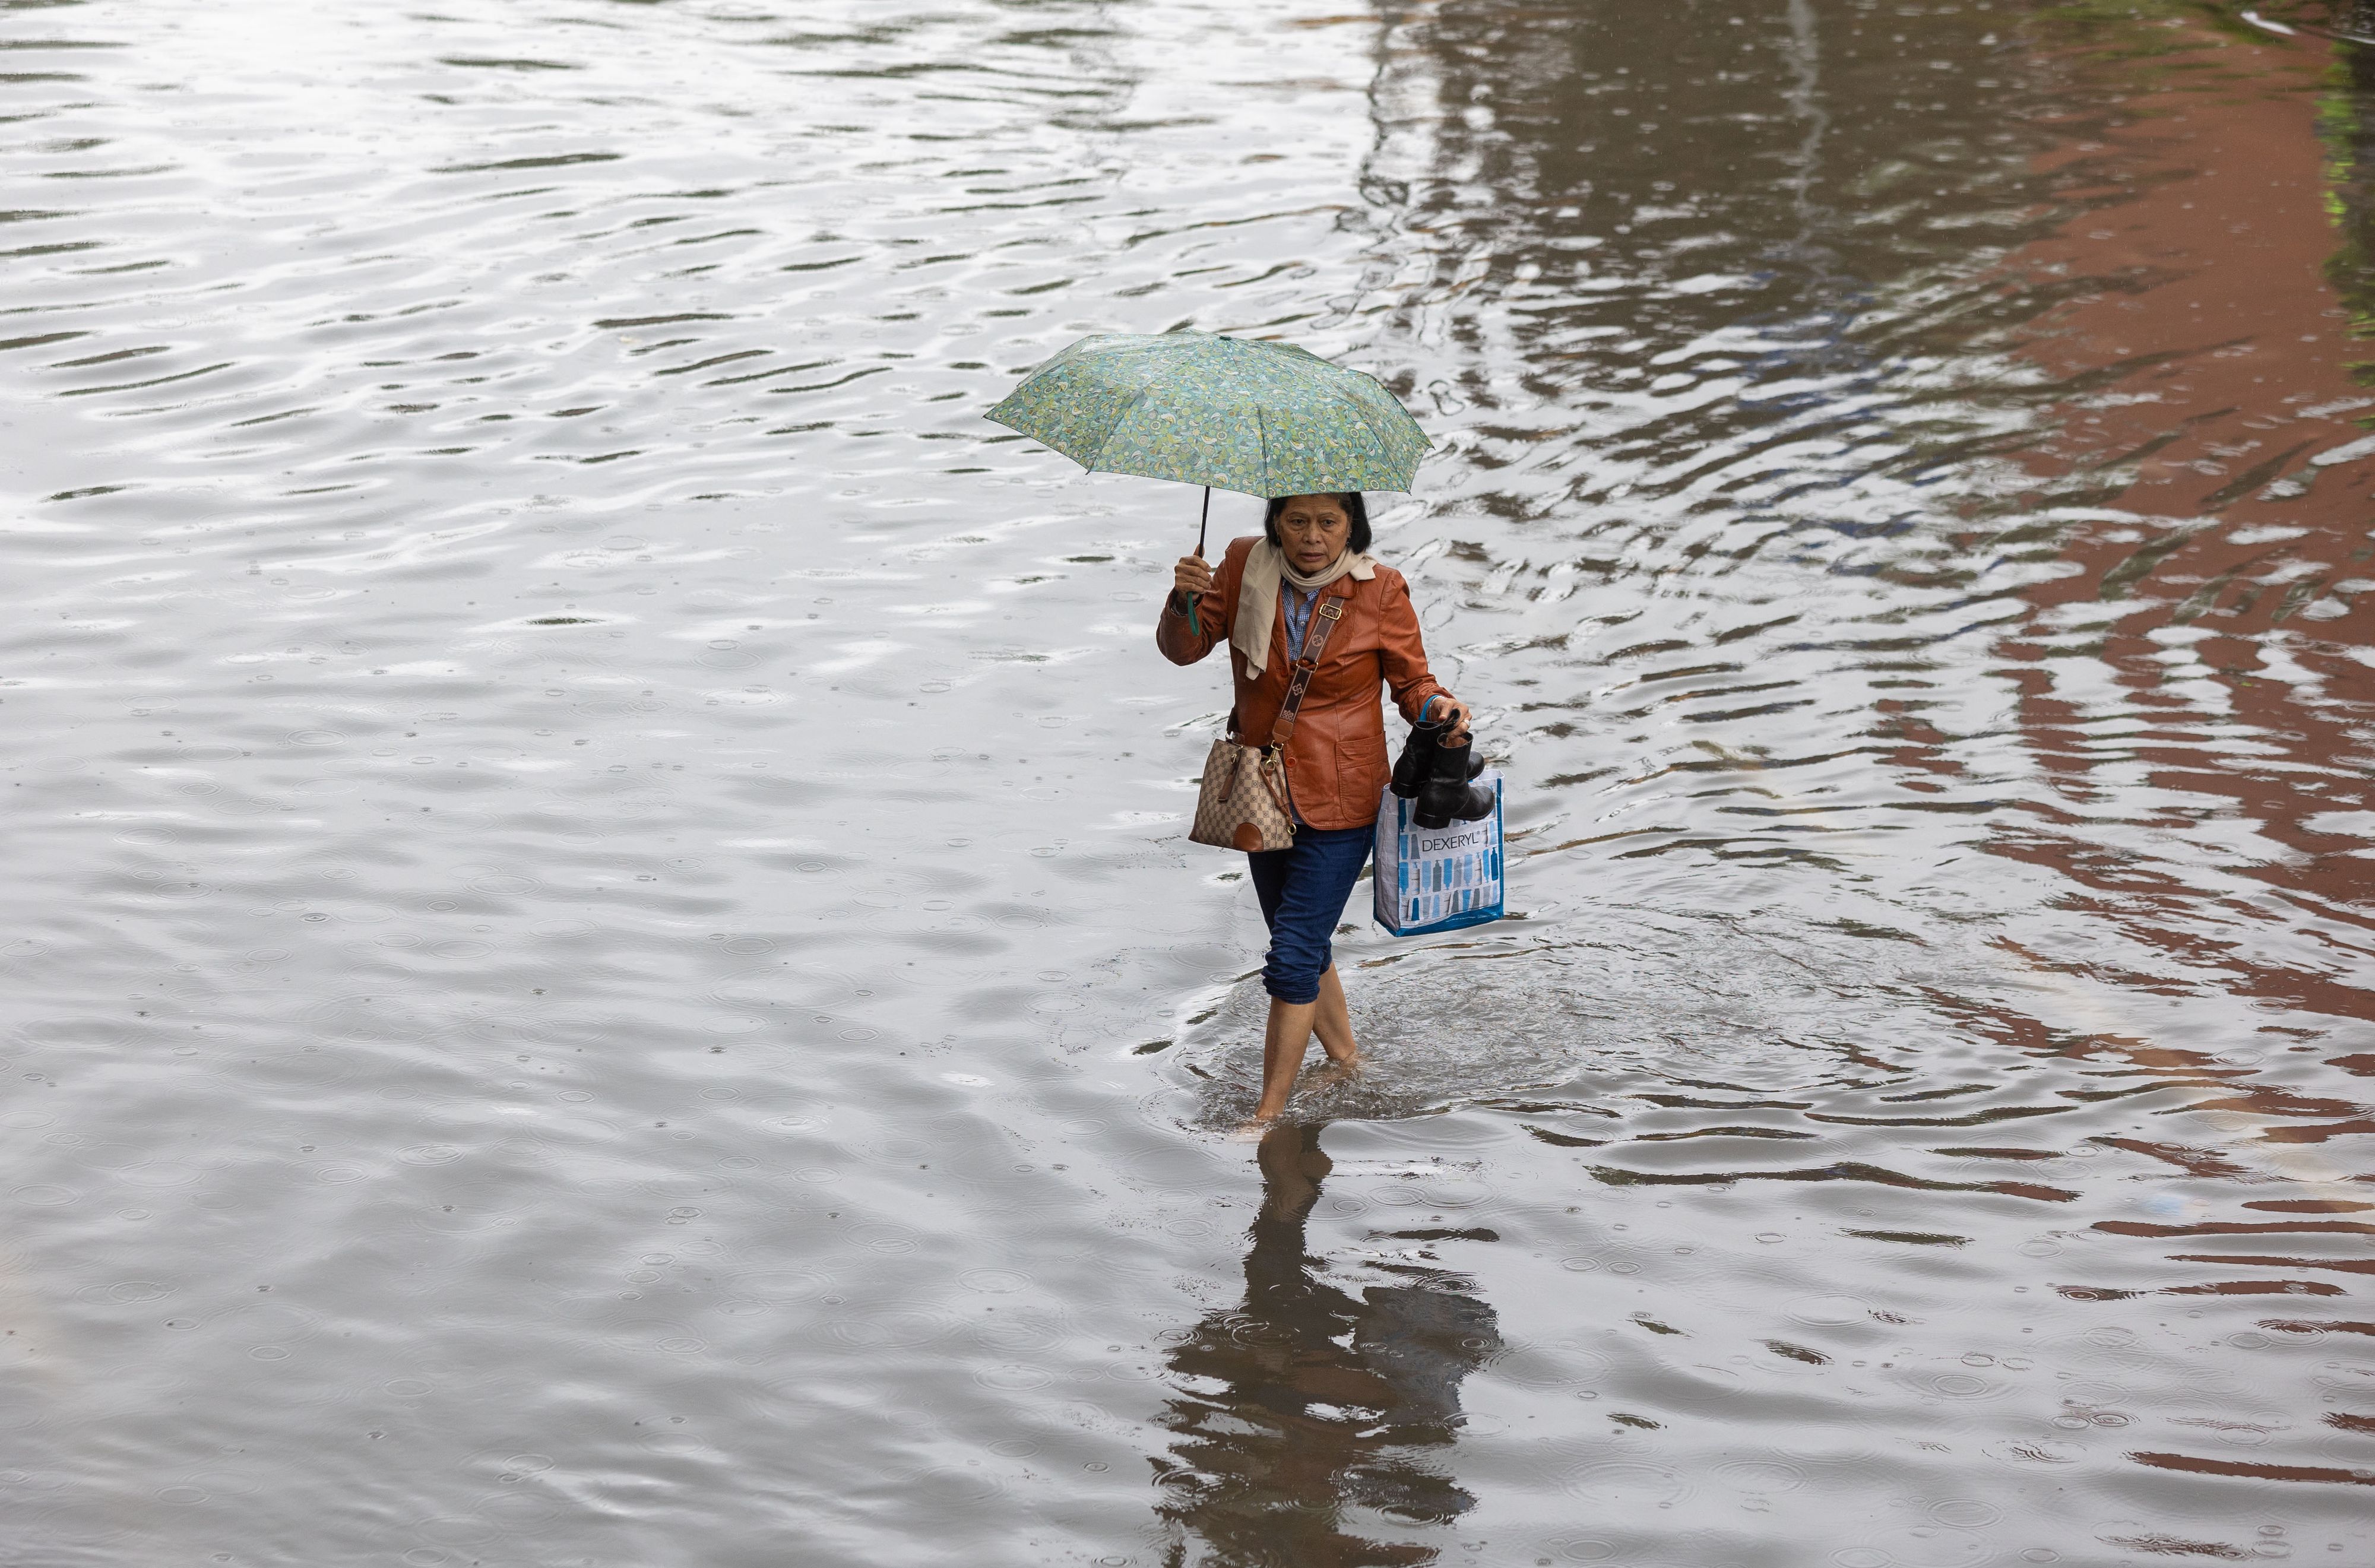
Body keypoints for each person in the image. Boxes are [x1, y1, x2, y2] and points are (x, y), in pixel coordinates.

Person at [1158, 492, 1473, 1122]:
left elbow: (1411, 682)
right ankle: (1348, 1059)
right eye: (1296, 521)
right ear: (1275, 521)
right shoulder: (1243, 562)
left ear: (1351, 526)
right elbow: (1182, 649)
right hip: (1261, 787)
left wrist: (1437, 706)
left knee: (1292, 956)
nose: (1311, 536)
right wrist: (1183, 598)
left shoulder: (1381, 589)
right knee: (1296, 939)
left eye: (1328, 522)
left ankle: (1266, 1116)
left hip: (1343, 796)